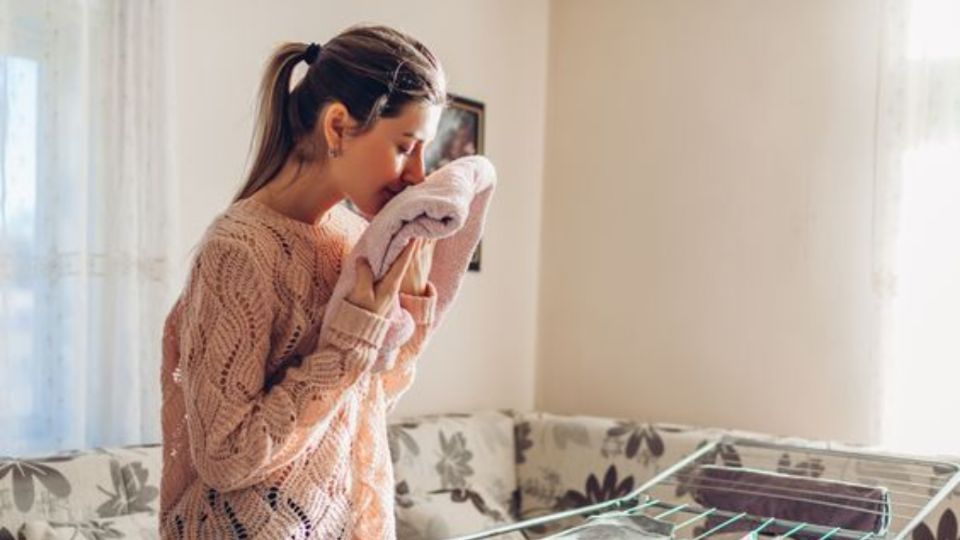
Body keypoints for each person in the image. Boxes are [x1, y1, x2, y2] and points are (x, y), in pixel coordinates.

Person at [159, 24, 447, 539]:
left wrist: (411, 303)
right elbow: (225, 457)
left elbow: (366, 404)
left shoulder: (355, 238)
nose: (418, 174)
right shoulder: (238, 251)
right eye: (406, 146)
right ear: (338, 126)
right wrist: (350, 344)